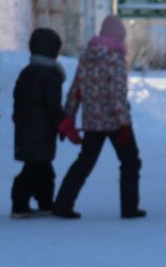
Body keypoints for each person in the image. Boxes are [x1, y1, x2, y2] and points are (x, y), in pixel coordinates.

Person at [51, 15, 145, 219]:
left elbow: (76, 90)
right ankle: (129, 208)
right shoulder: (115, 58)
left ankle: (62, 204)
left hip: (92, 121)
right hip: (114, 121)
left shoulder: (87, 57)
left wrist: (68, 116)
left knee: (84, 162)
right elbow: (116, 94)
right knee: (130, 161)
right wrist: (124, 124)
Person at [10, 27, 66, 216]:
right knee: (36, 169)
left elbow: (17, 99)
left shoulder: (27, 72)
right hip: (42, 132)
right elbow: (53, 105)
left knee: (41, 168)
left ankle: (44, 202)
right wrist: (61, 123)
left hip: (26, 129)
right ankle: (21, 202)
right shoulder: (51, 75)